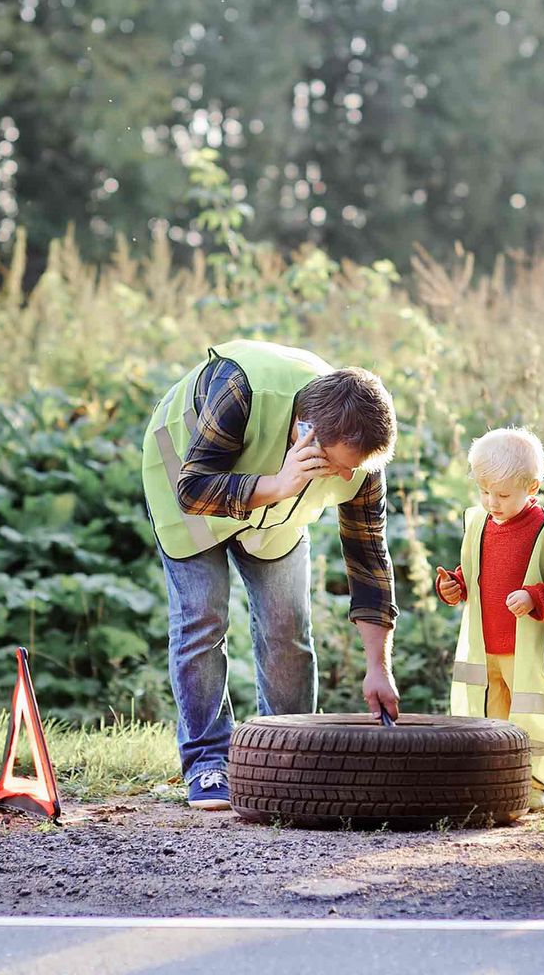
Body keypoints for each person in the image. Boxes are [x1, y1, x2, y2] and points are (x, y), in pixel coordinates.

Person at [142, 338, 400, 810]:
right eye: (340, 467)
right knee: (203, 620)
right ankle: (207, 763)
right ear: (306, 435)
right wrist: (279, 484)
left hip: (276, 513)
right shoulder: (242, 389)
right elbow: (194, 489)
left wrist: (378, 667)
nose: (348, 480)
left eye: (356, 470)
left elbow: (368, 560)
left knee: (287, 628)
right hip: (188, 478)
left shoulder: (360, 462)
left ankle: (289, 755)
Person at [435, 426, 544, 800]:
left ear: (532, 488)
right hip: (488, 650)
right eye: (484, 491)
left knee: (527, 721)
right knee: (491, 720)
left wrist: (536, 596)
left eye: (502, 494)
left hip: (526, 652)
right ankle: (494, 784)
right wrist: (456, 586)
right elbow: (476, 571)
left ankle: (530, 787)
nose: (491, 502)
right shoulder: (479, 523)